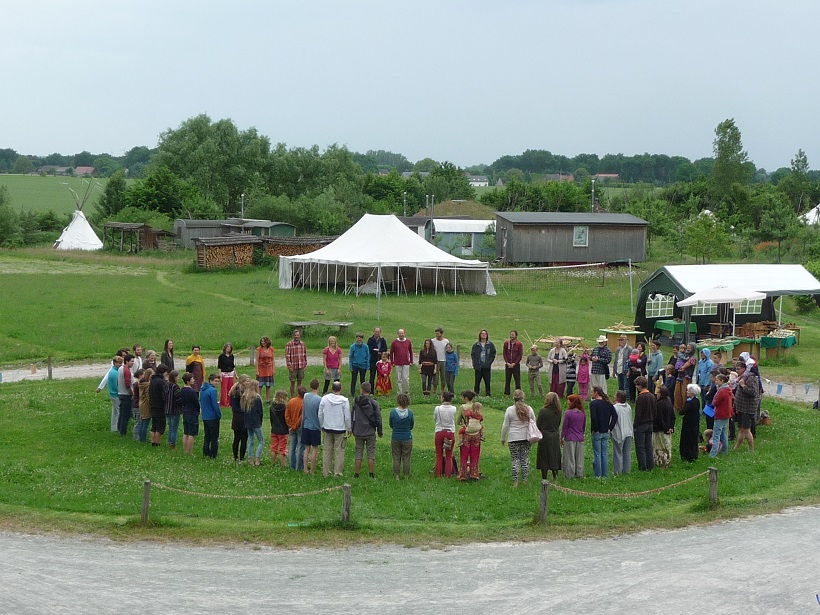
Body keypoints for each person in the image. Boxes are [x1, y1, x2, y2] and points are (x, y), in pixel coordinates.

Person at [501, 390, 537, 487]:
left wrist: (503, 438)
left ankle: (515, 481)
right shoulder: (529, 409)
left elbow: (505, 426)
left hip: (513, 438)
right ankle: (525, 480)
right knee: (524, 459)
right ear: (523, 398)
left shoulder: (509, 410)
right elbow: (534, 422)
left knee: (515, 459)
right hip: (525, 438)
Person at [318, 381, 351, 477]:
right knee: (339, 451)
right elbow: (347, 416)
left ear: (332, 389)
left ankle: (326, 472)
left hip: (327, 427)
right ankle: (338, 472)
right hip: (340, 428)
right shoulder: (344, 401)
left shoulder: (324, 399)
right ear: (340, 389)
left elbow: (320, 414)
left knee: (327, 450)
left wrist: (321, 424)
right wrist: (349, 427)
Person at [351, 382, 383, 479]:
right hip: (370, 431)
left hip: (358, 430)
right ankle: (371, 474)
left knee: (358, 452)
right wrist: (379, 431)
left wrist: (352, 428)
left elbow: (353, 416)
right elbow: (378, 418)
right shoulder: (374, 403)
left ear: (361, 390)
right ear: (370, 391)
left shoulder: (356, 401)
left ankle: (356, 474)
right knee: (371, 453)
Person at [590, 386, 618, 478]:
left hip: (597, 431)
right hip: (606, 431)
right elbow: (615, 416)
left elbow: (594, 418)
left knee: (597, 453)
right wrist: (610, 427)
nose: (591, 393)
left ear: (596, 393)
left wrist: (595, 429)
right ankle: (605, 474)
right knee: (604, 453)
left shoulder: (593, 404)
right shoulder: (608, 403)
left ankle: (598, 474)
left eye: (592, 392)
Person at [457, 391, 483, 481]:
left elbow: (458, 421)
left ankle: (463, 475)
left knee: (464, 455)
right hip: (476, 434)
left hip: (466, 434)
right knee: (475, 454)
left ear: (465, 398)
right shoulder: (476, 406)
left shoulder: (462, 407)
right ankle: (474, 473)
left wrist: (462, 424)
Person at [733, 363, 759, 452]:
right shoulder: (741, 377)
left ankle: (751, 449)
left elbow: (753, 392)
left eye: (738, 369)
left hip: (747, 408)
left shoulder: (750, 378)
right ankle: (736, 447)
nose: (737, 371)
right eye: (736, 369)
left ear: (744, 369)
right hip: (740, 408)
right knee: (740, 429)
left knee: (747, 430)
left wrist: (743, 386)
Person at [536, 392, 562, 480]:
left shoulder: (543, 411)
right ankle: (555, 475)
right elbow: (558, 424)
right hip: (555, 435)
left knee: (544, 456)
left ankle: (544, 477)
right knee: (555, 455)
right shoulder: (558, 411)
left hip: (545, 436)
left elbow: (538, 424)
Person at [633, 376, 656, 471]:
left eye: (637, 386)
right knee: (649, 446)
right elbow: (655, 411)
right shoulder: (652, 396)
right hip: (650, 423)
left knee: (640, 447)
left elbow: (638, 414)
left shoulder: (640, 398)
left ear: (640, 386)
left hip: (641, 425)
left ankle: (642, 466)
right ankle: (650, 465)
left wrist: (635, 425)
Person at [389, 393, 414, 480]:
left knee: (396, 456)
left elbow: (391, 424)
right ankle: (406, 475)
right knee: (406, 457)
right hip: (407, 437)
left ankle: (396, 475)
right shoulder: (410, 413)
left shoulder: (393, 412)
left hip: (395, 436)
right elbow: (411, 426)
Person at [561, 395, 586, 479]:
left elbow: (565, 426)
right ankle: (579, 473)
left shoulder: (568, 413)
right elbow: (583, 426)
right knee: (579, 457)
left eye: (569, 400)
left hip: (570, 437)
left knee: (570, 457)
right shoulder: (582, 413)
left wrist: (561, 437)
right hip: (580, 437)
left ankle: (570, 474)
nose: (567, 402)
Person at [709, 373, 734, 458]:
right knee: (724, 434)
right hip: (726, 414)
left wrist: (712, 404)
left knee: (716, 435)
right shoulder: (728, 389)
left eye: (717, 380)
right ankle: (724, 451)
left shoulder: (722, 391)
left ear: (722, 381)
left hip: (720, 413)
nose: (716, 381)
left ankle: (713, 454)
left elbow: (716, 402)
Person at [433, 391, 457, 478]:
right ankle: (448, 474)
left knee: (439, 455)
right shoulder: (454, 408)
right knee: (449, 455)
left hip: (439, 431)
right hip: (450, 432)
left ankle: (438, 474)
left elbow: (435, 418)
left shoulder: (437, 408)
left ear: (443, 398)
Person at [96, 355, 123, 433]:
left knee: (115, 412)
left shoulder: (112, 371)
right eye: (119, 363)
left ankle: (114, 428)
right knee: (119, 411)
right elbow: (116, 385)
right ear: (114, 363)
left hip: (113, 394)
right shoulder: (114, 373)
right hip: (116, 394)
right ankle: (118, 427)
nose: (120, 365)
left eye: (121, 363)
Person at [301, 378, 322, 475]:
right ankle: (312, 470)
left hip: (306, 425)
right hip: (315, 426)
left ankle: (305, 468)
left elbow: (304, 411)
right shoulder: (319, 399)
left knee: (306, 448)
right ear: (318, 386)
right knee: (315, 449)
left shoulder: (306, 396)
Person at [611, 390, 634, 475]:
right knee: (627, 453)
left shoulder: (615, 407)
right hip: (629, 432)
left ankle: (617, 471)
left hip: (620, 432)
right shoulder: (628, 407)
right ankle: (626, 470)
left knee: (618, 453)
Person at [243, 380, 264, 466]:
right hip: (255, 421)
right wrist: (260, 420)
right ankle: (258, 459)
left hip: (247, 421)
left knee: (250, 440)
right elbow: (260, 411)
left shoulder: (245, 396)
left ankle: (250, 459)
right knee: (261, 440)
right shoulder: (257, 397)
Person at [653, 386, 675, 469]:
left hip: (661, 429)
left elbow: (659, 418)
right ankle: (668, 461)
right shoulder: (669, 402)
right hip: (668, 428)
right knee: (667, 446)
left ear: (661, 394)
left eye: (658, 392)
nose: (656, 394)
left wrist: (665, 428)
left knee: (660, 447)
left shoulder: (659, 404)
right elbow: (673, 416)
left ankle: (662, 463)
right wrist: (671, 427)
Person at [200, 373, 222, 459]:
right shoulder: (212, 390)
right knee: (214, 437)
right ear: (210, 380)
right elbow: (214, 404)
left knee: (207, 436)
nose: (217, 383)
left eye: (218, 381)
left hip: (205, 416)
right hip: (212, 416)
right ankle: (213, 453)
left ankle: (205, 452)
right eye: (215, 381)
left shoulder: (203, 389)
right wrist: (218, 414)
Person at [678, 383, 701, 462]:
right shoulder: (697, 401)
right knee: (693, 439)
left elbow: (681, 412)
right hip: (695, 422)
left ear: (691, 392)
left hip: (688, 423)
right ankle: (694, 454)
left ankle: (687, 455)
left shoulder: (689, 403)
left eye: (688, 391)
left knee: (687, 439)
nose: (686, 392)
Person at [229, 374, 249, 462]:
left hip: (236, 417)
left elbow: (231, 404)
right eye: (247, 381)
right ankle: (241, 457)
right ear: (243, 381)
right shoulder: (242, 392)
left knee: (236, 437)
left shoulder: (233, 390)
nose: (248, 383)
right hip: (243, 416)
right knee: (244, 438)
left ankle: (235, 456)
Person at [470, 329, 496, 397]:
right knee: (477, 382)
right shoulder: (476, 345)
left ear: (487, 335)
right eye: (482, 333)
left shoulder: (490, 345)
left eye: (485, 334)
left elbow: (493, 354)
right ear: (480, 335)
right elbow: (473, 355)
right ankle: (476, 394)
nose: (483, 335)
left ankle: (488, 394)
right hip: (478, 367)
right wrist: (475, 364)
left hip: (486, 367)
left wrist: (489, 362)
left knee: (487, 382)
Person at [286, 386, 306, 470]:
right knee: (300, 447)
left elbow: (287, 415)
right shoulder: (304, 403)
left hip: (291, 427)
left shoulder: (291, 401)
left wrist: (290, 425)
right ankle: (299, 467)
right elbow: (301, 417)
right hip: (299, 427)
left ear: (297, 392)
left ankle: (292, 465)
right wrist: (295, 426)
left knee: (292, 447)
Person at [149, 364, 169, 447]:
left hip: (153, 404)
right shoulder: (161, 382)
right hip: (160, 405)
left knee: (154, 424)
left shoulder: (153, 380)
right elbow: (165, 393)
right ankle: (157, 442)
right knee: (160, 425)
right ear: (163, 372)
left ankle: (153, 441)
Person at [180, 372, 200, 454]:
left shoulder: (182, 390)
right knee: (191, 433)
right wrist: (198, 410)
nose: (193, 380)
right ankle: (190, 450)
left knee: (186, 432)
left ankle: (185, 450)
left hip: (185, 411)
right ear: (188, 381)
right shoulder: (192, 391)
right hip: (192, 412)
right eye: (192, 379)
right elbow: (196, 402)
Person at [389, 329, 413, 396]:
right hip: (397, 363)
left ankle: (406, 391)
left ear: (404, 333)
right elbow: (391, 353)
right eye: (400, 333)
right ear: (398, 334)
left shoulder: (408, 341)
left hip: (406, 362)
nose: (401, 335)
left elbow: (411, 352)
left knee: (405, 378)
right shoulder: (394, 342)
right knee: (399, 379)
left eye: (402, 333)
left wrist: (411, 361)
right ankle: (399, 392)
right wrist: (392, 362)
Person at [674, 342, 697, 412]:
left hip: (686, 378)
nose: (687, 349)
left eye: (689, 348)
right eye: (687, 348)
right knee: (677, 392)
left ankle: (684, 408)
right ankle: (678, 407)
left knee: (684, 393)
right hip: (680, 376)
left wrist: (681, 366)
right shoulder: (684, 356)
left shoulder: (692, 358)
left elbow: (683, 367)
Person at [285, 329, 307, 398]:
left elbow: (304, 354)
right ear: (293, 336)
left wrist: (305, 364)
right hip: (293, 366)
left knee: (299, 382)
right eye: (295, 335)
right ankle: (292, 396)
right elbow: (287, 356)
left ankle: (299, 395)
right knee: (292, 382)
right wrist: (289, 366)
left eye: (298, 335)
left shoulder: (303, 344)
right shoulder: (289, 344)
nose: (296, 336)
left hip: (301, 366)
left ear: (299, 336)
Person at [269, 390, 289, 467]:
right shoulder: (285, 407)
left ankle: (273, 463)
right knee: (282, 448)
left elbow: (271, 418)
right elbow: (286, 419)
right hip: (283, 430)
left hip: (274, 429)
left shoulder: (272, 406)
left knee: (274, 447)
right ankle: (283, 465)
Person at [164, 369, 183, 450]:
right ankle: (172, 444)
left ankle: (169, 442)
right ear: (174, 377)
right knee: (174, 428)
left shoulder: (166, 385)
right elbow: (178, 399)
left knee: (170, 427)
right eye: (177, 376)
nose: (178, 378)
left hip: (167, 409)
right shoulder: (176, 387)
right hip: (175, 410)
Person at [116, 354, 135, 437]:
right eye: (131, 361)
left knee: (121, 413)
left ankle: (119, 428)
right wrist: (131, 393)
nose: (133, 363)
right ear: (126, 361)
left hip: (120, 393)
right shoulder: (127, 371)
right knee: (126, 415)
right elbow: (127, 383)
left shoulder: (120, 368)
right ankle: (123, 432)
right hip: (126, 394)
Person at [348, 332, 370, 396]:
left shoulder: (366, 347)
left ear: (362, 339)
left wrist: (367, 365)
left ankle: (363, 392)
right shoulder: (353, 347)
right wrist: (351, 366)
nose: (359, 340)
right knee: (353, 379)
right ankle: (352, 392)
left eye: (360, 338)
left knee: (362, 380)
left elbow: (368, 356)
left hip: (363, 365)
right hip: (355, 365)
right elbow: (351, 357)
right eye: (358, 338)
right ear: (356, 339)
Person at [503, 330, 524, 396]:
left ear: (516, 336)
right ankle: (507, 393)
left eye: (513, 335)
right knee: (507, 380)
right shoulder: (506, 343)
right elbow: (504, 353)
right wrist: (507, 362)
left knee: (517, 380)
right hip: (508, 364)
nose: (511, 336)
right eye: (510, 334)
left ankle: (518, 394)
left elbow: (520, 355)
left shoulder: (519, 344)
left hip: (516, 365)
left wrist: (515, 363)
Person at [367, 327, 388, 391]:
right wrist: (377, 351)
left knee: (380, 375)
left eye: (378, 332)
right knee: (372, 376)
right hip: (373, 360)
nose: (377, 333)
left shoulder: (382, 340)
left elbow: (385, 349)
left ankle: (380, 389)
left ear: (380, 332)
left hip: (381, 361)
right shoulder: (370, 340)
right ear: (374, 332)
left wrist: (378, 350)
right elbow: (370, 349)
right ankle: (371, 390)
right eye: (376, 332)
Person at [430, 327, 450, 395]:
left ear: (441, 334)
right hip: (436, 361)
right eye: (436, 333)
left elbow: (448, 350)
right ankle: (434, 390)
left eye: (438, 333)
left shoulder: (446, 341)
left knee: (443, 376)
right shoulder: (432, 341)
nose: (437, 335)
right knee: (435, 376)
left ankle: (442, 391)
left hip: (444, 361)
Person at [256, 336, 275, 403]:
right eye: (262, 341)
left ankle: (268, 399)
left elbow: (273, 360)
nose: (262, 342)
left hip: (269, 369)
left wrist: (273, 369)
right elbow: (257, 360)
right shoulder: (259, 349)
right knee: (259, 385)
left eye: (264, 341)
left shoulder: (271, 349)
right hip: (261, 369)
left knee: (268, 385)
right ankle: (258, 399)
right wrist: (257, 370)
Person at [613, 335, 633, 401]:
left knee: (626, 386)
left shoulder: (629, 349)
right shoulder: (617, 349)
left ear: (626, 340)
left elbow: (631, 361)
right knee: (620, 386)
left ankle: (627, 399)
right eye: (619, 340)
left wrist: (629, 371)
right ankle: (620, 398)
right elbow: (616, 360)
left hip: (625, 370)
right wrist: (614, 370)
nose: (621, 341)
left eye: (622, 340)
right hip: (619, 369)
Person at [217, 343, 236, 408]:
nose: (228, 349)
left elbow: (233, 366)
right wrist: (220, 376)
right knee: (224, 388)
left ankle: (229, 401)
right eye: (227, 348)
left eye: (230, 348)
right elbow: (219, 367)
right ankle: (223, 402)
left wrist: (236, 374)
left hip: (231, 373)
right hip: (224, 373)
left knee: (230, 388)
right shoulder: (221, 356)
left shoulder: (232, 356)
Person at [137, 368, 153, 443]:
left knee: (143, 421)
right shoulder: (147, 384)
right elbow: (148, 395)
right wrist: (151, 404)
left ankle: (141, 438)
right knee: (145, 423)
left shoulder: (141, 383)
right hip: (146, 405)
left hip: (141, 403)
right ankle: (143, 440)